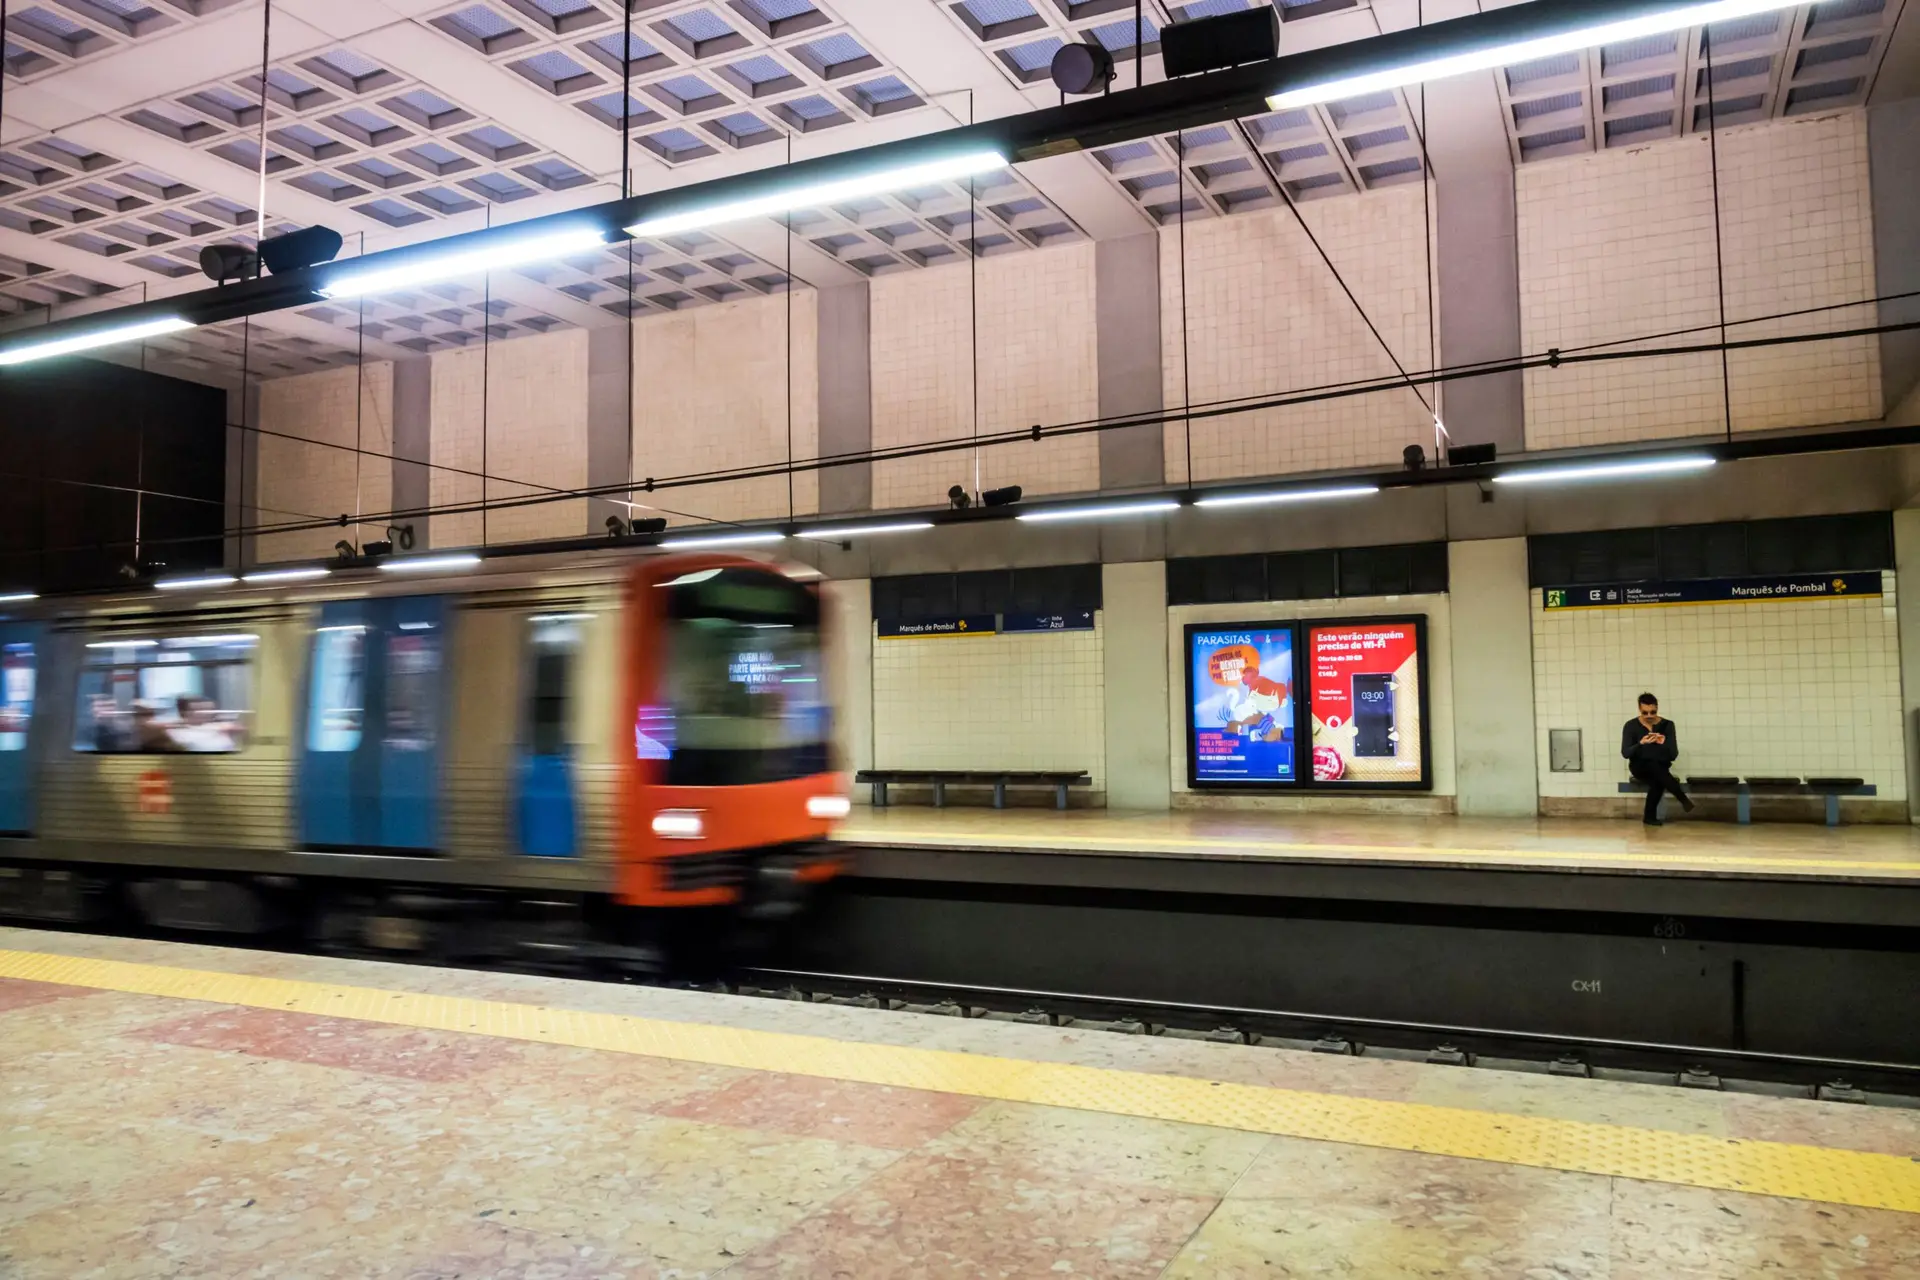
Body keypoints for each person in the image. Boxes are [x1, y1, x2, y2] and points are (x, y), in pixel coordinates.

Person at [1622, 693, 1693, 826]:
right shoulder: (1631, 726)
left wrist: (1664, 743)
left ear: (1657, 709)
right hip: (1640, 766)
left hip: (1661, 765)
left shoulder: (1667, 725)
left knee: (1657, 780)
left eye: (1653, 712)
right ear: (1639, 710)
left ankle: (1649, 817)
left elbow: (1673, 755)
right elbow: (1625, 753)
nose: (1649, 716)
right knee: (1656, 770)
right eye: (1645, 713)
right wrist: (1640, 743)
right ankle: (1682, 799)